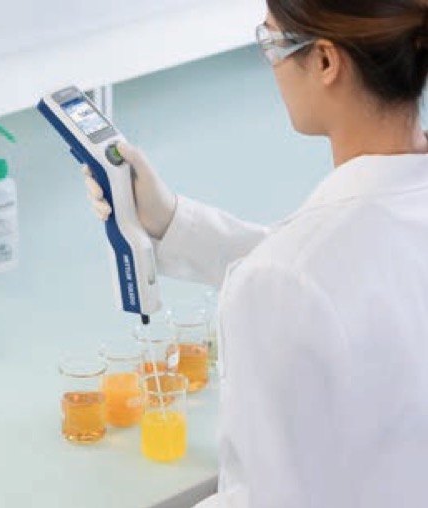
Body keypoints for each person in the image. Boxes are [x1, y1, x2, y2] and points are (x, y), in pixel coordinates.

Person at [84, 1, 428, 506]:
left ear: (326, 61)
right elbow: (349, 269)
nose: (271, 64)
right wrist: (170, 220)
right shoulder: (323, 259)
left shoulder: (289, 277)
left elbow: (269, 499)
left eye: (271, 41)